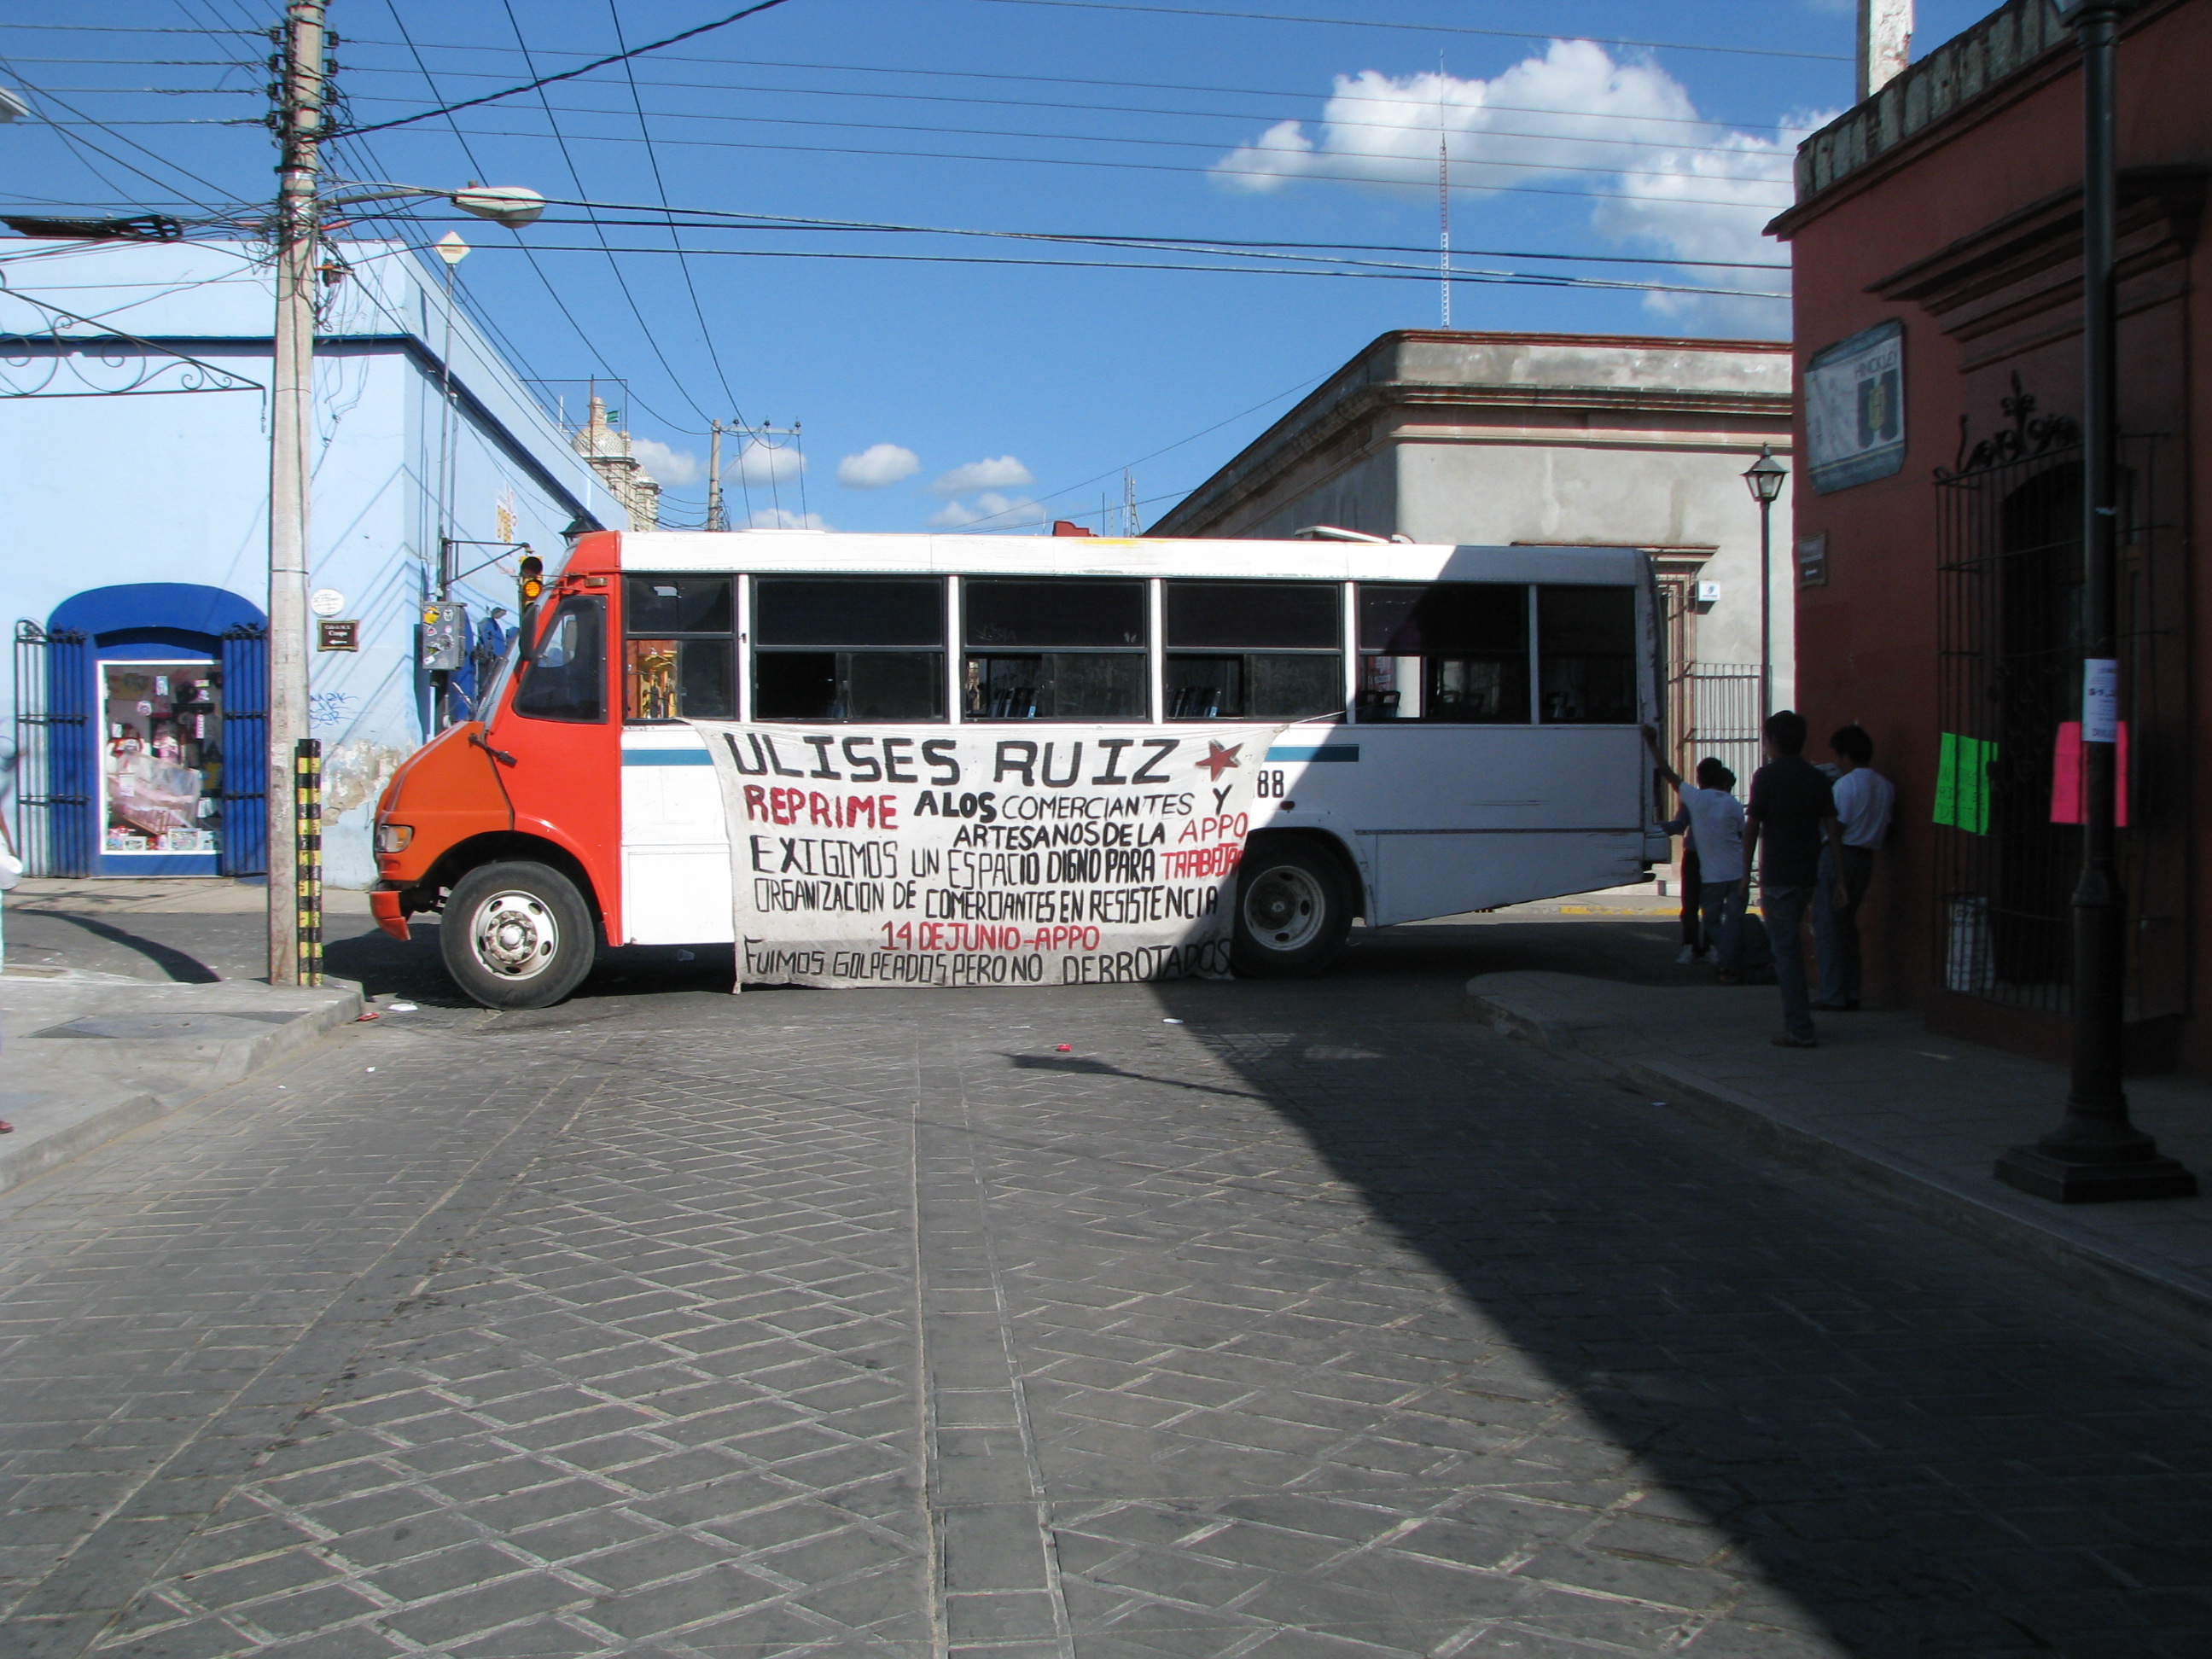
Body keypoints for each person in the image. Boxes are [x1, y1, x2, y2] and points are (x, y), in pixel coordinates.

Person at [1739, 710, 1848, 1049]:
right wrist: (1841, 878)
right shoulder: (1817, 778)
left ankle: (1799, 1027)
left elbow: (1753, 827)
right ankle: (1799, 1022)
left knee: (1785, 952)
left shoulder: (1767, 777)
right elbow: (1832, 828)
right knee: (1794, 947)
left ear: (1773, 741)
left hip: (1778, 875)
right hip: (1808, 873)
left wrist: (1745, 874)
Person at [1644, 727, 1747, 974]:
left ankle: (1705, 948)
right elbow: (1742, 835)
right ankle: (1714, 949)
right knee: (1718, 912)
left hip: (1702, 860)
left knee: (1698, 908)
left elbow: (1668, 776)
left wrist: (1651, 830)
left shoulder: (1696, 799)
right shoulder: (1731, 804)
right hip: (1726, 867)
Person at [1813, 724, 1895, 1012]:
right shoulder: (1885, 786)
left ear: (1846, 755)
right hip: (1867, 857)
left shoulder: (1846, 785)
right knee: (1848, 927)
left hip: (1841, 855)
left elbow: (1837, 829)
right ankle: (1851, 991)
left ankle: (1832, 993)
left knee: (1828, 925)